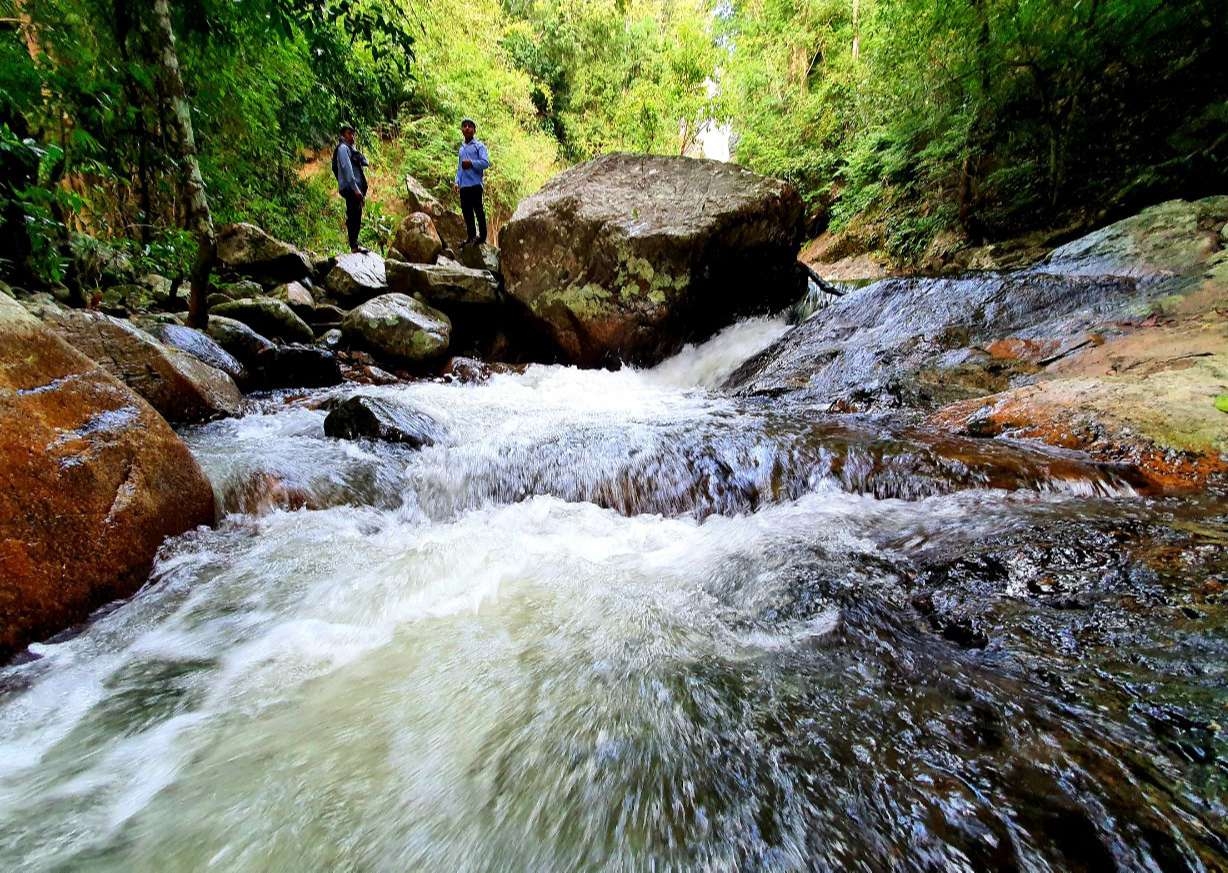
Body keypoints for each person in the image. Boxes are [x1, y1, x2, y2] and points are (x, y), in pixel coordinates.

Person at [332, 124, 370, 253]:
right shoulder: (343, 148)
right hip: (350, 188)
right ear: (343, 135)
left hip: (353, 188)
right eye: (349, 133)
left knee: (356, 214)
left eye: (353, 134)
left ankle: (354, 245)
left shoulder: (350, 149)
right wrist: (356, 189)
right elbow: (347, 170)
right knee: (354, 215)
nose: (352, 136)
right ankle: (353, 246)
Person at [454, 118, 490, 246]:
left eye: (470, 126)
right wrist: (456, 181)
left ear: (474, 130)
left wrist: (471, 163)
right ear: (462, 130)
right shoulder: (461, 149)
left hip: (475, 184)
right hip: (464, 186)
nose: (467, 128)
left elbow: (486, 163)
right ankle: (471, 236)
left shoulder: (479, 146)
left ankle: (483, 237)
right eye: (464, 126)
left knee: (478, 210)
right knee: (466, 211)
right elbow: (459, 167)